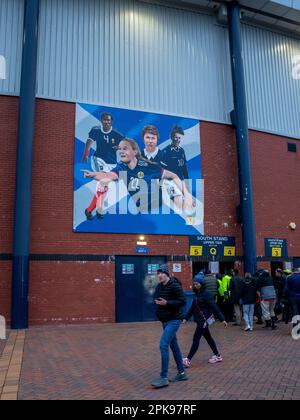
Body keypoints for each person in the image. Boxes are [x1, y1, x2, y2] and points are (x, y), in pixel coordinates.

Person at [82, 138, 194, 215]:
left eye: (124, 148)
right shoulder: (121, 167)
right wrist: (93, 174)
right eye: (119, 149)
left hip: (157, 200)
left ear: (135, 151)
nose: (120, 151)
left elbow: (174, 175)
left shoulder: (148, 166)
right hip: (143, 205)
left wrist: (187, 195)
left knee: (167, 184)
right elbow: (107, 175)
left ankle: (185, 204)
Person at [151, 264, 188, 389]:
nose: (159, 275)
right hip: (165, 320)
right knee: (174, 346)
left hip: (174, 320)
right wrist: (158, 304)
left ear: (167, 274)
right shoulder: (160, 286)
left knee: (163, 344)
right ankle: (182, 372)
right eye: (158, 273)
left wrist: (167, 303)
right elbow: (158, 298)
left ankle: (163, 377)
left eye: (162, 273)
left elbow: (183, 301)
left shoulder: (175, 285)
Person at [82, 112, 124, 220]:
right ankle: (99, 209)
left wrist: (119, 148)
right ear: (101, 121)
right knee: (103, 182)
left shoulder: (117, 134)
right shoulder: (95, 130)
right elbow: (89, 141)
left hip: (111, 163)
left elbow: (125, 147)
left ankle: (89, 210)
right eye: (105, 120)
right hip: (98, 159)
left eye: (109, 120)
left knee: (105, 187)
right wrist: (86, 154)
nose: (107, 122)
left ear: (111, 122)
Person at [182, 273, 227, 368]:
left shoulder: (206, 293)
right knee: (208, 338)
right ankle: (218, 356)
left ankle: (188, 359)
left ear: (202, 284)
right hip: (199, 320)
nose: (196, 285)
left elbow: (214, 306)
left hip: (204, 320)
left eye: (197, 283)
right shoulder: (197, 293)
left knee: (196, 339)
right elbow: (192, 307)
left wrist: (222, 318)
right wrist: (186, 318)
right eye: (194, 284)